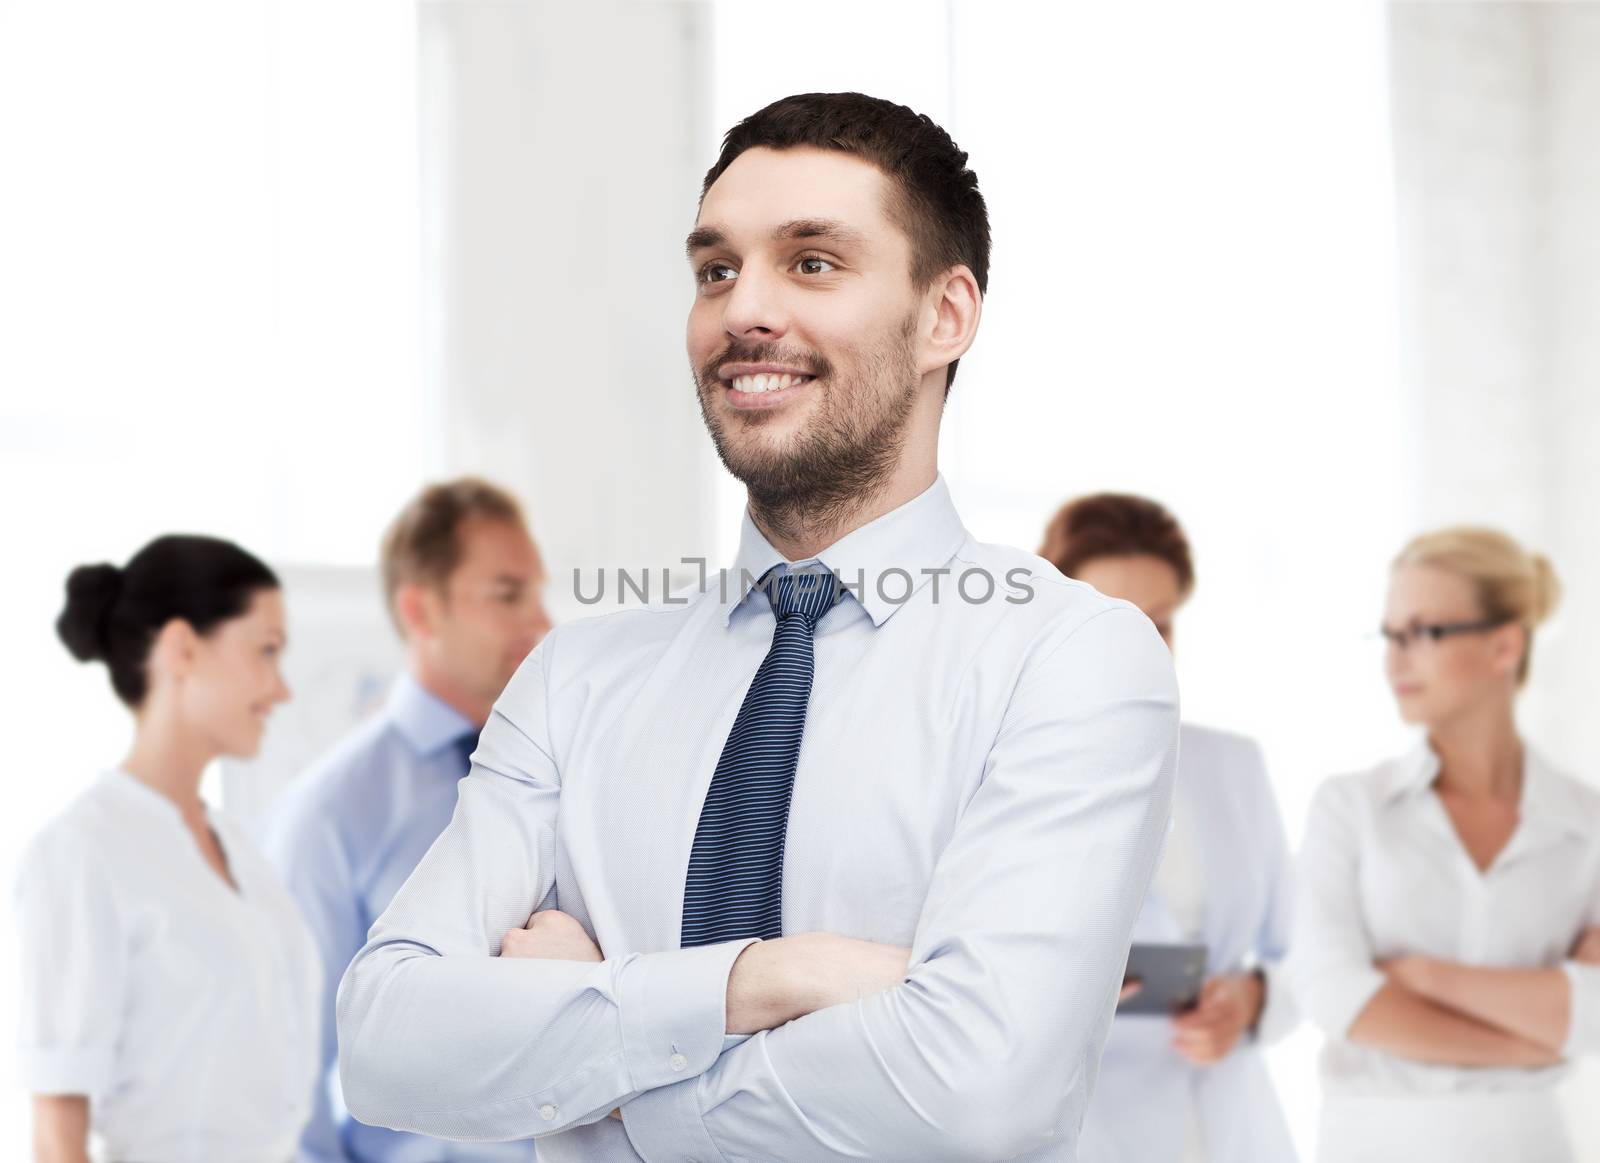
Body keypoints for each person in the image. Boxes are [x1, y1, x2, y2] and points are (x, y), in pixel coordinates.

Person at [335, 91, 1179, 1162]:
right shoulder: (577, 678)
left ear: (944, 317)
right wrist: (769, 979)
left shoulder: (1067, 659)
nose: (745, 311)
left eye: (813, 262)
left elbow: (982, 1093)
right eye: (716, 268)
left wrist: (602, 1068)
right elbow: (384, 1042)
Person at [263, 478, 551, 1163]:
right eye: (508, 595)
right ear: (422, 610)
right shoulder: (329, 813)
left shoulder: (560, 779)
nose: (541, 623)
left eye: (538, 594)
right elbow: (287, 1076)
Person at [1290, 526, 1600, 1161]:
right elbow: (1332, 993)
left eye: (1424, 632)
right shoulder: (1350, 806)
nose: (1395, 659)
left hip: (1532, 1144)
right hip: (1374, 1143)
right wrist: (1537, 1038)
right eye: (1390, 634)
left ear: (1504, 644)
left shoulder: (1587, 824)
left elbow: (1594, 1013)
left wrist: (1426, 977)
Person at [16, 535, 320, 1163]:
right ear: (182, 647)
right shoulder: (82, 853)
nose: (281, 689)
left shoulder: (237, 843)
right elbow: (56, 1136)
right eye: (266, 652)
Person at [1039, 493, 1298, 1163]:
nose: (1144, 650)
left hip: (1228, 1127)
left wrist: (1253, 998)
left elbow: (1303, 952)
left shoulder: (1233, 765)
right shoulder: (994, 776)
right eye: (1113, 622)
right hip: (1080, 1130)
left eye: (1161, 624)